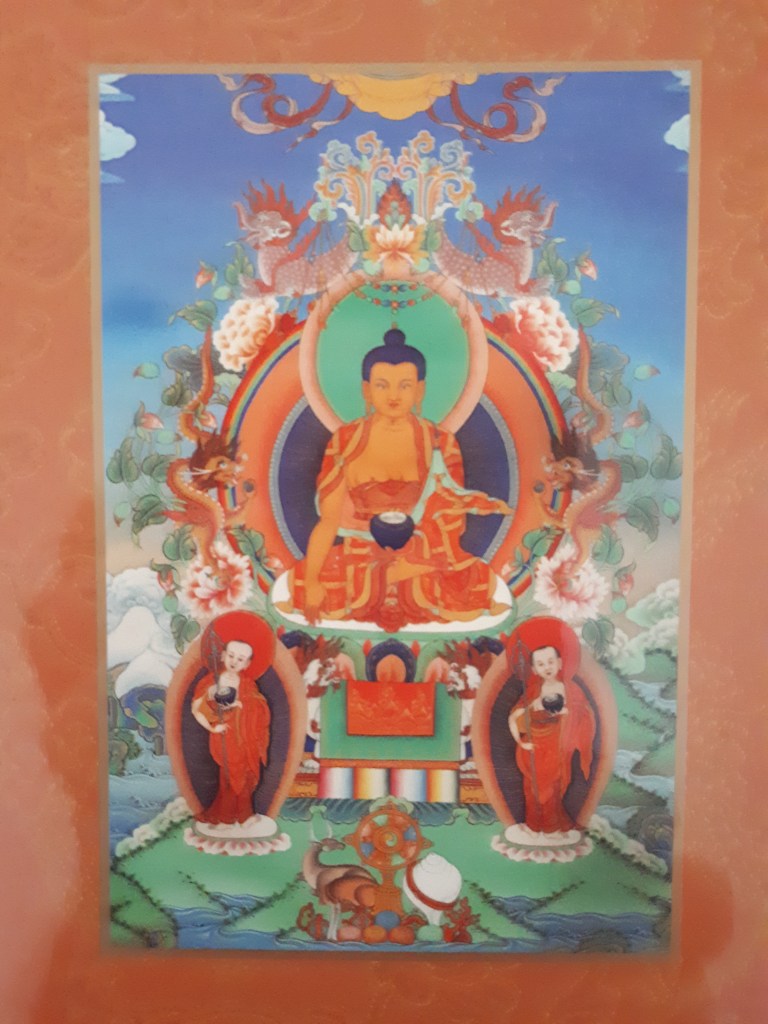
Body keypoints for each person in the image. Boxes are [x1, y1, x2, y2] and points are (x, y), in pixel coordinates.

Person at [281, 329, 515, 632]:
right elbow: (328, 520)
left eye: (405, 385)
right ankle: (387, 578)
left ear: (420, 391)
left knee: (473, 578)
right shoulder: (346, 440)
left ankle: (399, 577)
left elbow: (451, 515)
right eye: (382, 385)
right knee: (304, 580)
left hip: (422, 552)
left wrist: (417, 553)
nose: (393, 395)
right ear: (366, 390)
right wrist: (313, 581)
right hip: (360, 551)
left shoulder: (439, 442)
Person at [507, 625, 595, 836]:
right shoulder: (532, 692)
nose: (546, 667)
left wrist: (569, 714)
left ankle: (552, 827)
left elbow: (584, 714)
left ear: (560, 663)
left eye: (550, 661)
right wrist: (522, 741)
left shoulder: (570, 689)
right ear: (534, 669)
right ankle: (535, 825)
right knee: (534, 788)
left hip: (558, 746)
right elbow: (515, 717)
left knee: (554, 788)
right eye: (540, 664)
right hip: (536, 747)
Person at [191, 611, 274, 826]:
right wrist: (213, 728)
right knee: (229, 777)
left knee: (245, 776)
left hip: (245, 739)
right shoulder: (211, 681)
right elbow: (197, 709)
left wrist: (245, 706)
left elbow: (259, 706)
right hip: (225, 735)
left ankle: (238, 815)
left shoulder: (248, 684)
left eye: (240, 659)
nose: (234, 662)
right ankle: (231, 816)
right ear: (222, 655)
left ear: (247, 664)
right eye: (231, 656)